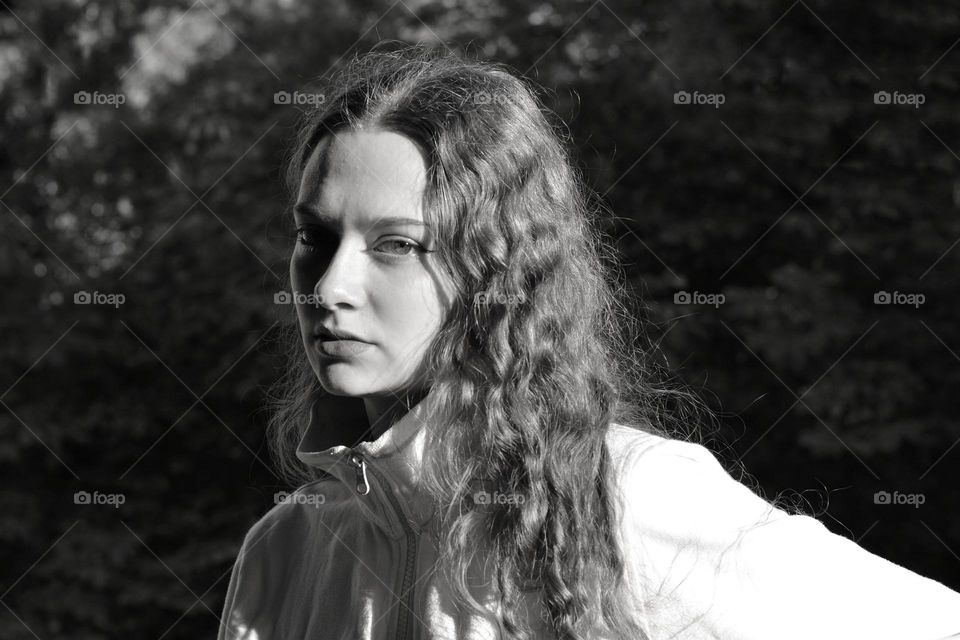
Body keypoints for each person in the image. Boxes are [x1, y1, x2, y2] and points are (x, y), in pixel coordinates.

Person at [217, 44, 960, 640]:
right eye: (316, 238)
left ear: (493, 268)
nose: (329, 285)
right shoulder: (283, 554)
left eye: (395, 245)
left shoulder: (628, 499)